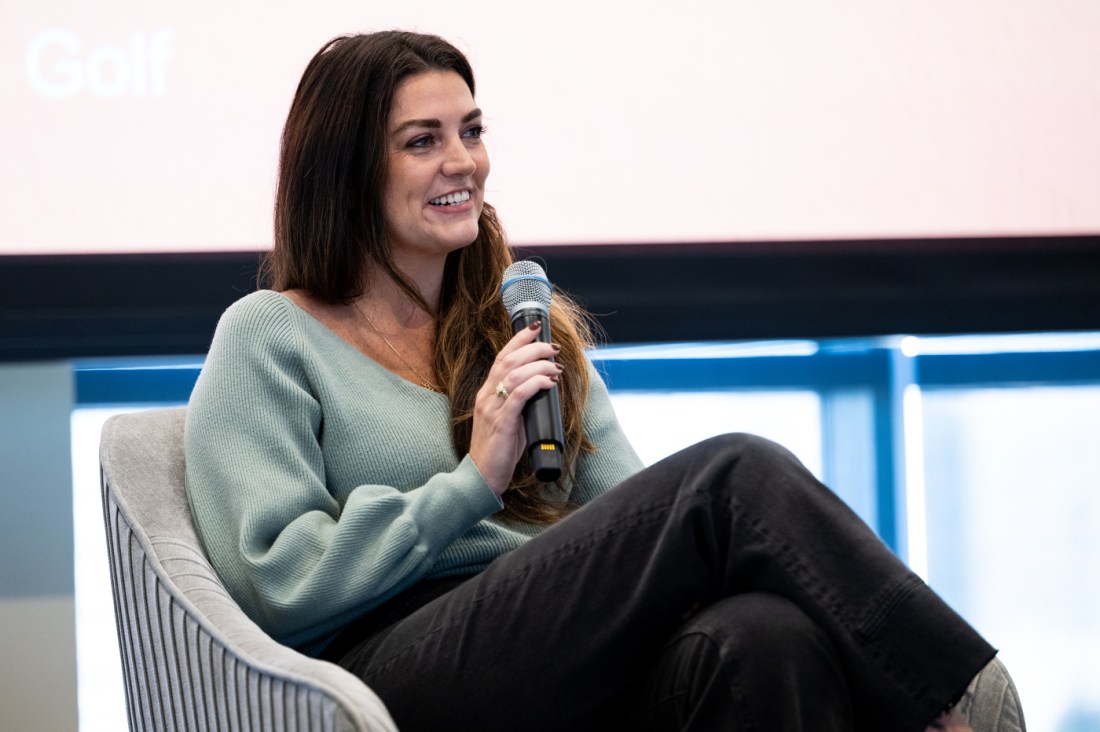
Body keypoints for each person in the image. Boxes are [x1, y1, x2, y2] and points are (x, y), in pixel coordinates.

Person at [184, 30, 994, 732]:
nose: (463, 160)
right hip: (390, 675)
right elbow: (280, 584)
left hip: (565, 652)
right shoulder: (268, 335)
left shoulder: (527, 328)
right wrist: (473, 481)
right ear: (347, 170)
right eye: (422, 140)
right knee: (732, 477)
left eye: (471, 129)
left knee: (760, 635)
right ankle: (947, 710)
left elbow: (640, 527)